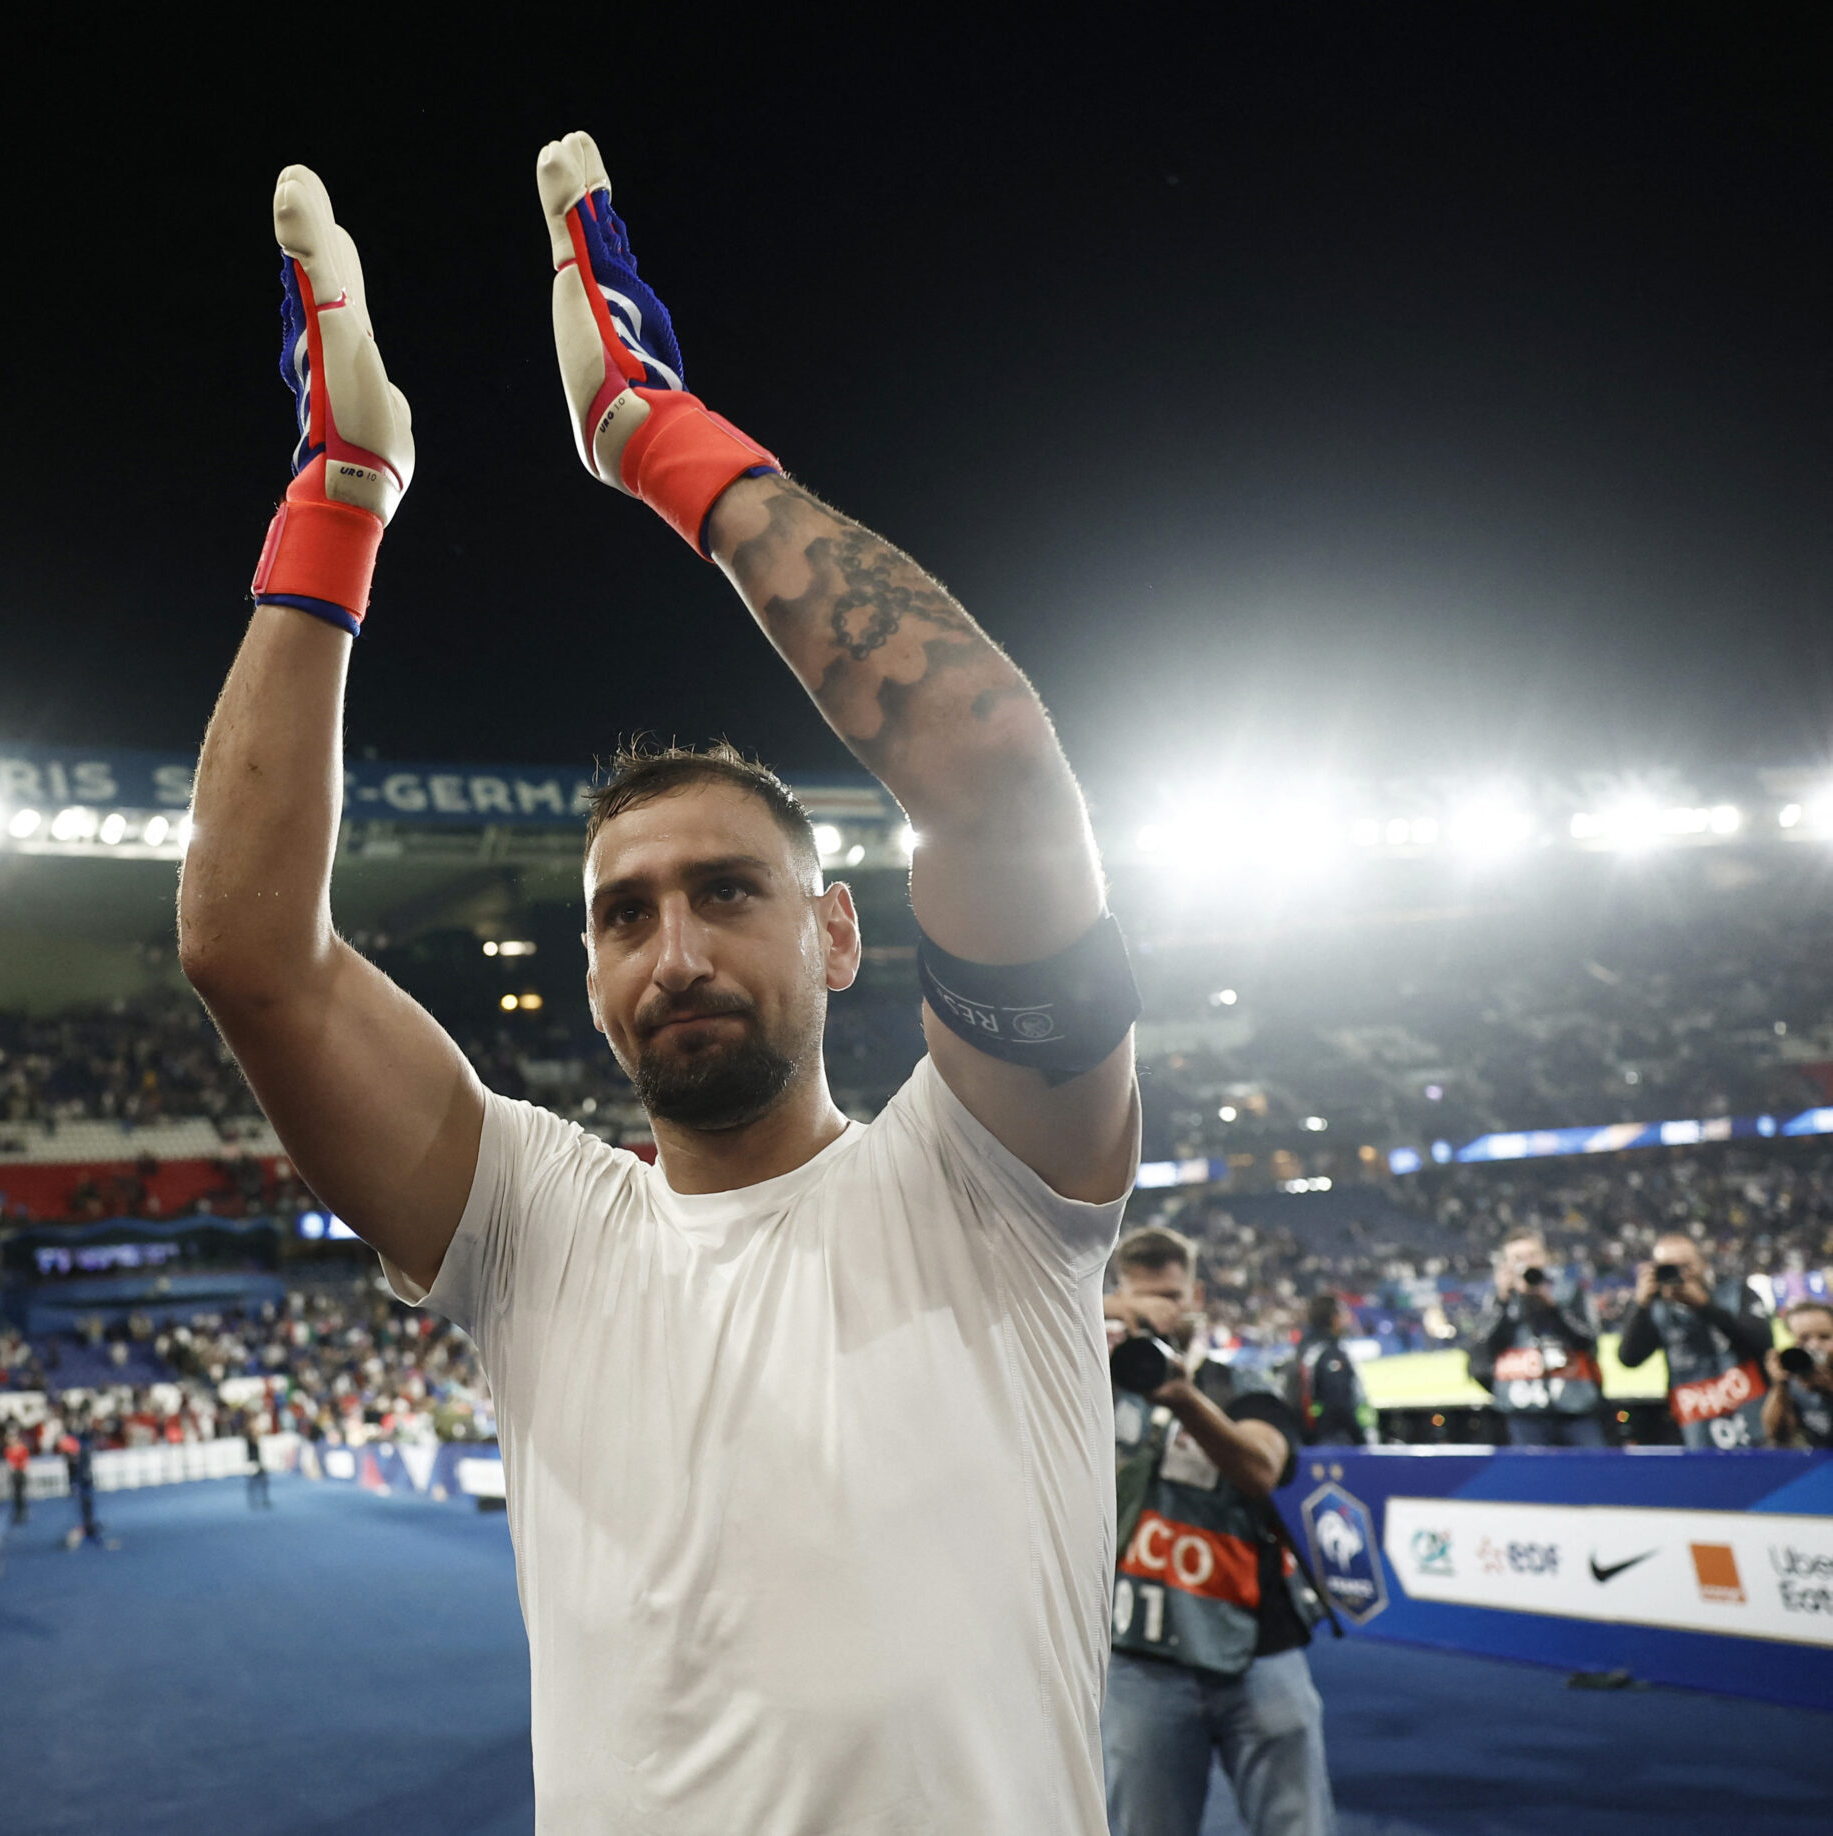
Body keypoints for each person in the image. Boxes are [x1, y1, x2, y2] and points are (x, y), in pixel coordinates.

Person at [179, 139, 1141, 1832]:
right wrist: (339, 490)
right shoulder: (536, 1224)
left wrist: (654, 433)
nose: (676, 950)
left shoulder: (995, 1177)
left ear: (837, 933)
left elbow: (989, 764)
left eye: (727, 893)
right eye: (625, 916)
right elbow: (250, 949)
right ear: (590, 974)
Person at [1103, 1227, 1332, 1836]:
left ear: (1196, 1295)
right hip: (1139, 1656)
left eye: (1172, 1297)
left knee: (1297, 1825)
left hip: (1259, 1648)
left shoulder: (1241, 1388)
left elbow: (1260, 1470)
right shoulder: (1090, 1383)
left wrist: (1181, 1397)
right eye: (1142, 1298)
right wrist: (1113, 1316)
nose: (1160, 1314)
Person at [1615, 1232, 1776, 1448]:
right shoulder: (1657, 1309)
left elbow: (1764, 1342)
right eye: (1668, 1267)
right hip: (1697, 1431)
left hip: (1752, 1422)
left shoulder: (1735, 1292)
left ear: (1702, 1264)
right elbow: (1629, 1358)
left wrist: (1705, 1306)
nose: (1679, 1275)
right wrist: (1641, 1304)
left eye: (1685, 1266)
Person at [1467, 1229, 1607, 1447]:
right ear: (1506, 1264)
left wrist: (1551, 1306)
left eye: (1532, 1255)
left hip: (1575, 1405)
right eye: (1518, 1258)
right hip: (1522, 1410)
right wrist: (1503, 1301)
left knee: (1592, 1473)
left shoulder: (1569, 1292)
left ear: (1545, 1257)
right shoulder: (1497, 1300)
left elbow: (1588, 1340)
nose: (1527, 1263)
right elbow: (1483, 1350)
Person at [1287, 1294, 1376, 1446]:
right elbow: (1339, 1404)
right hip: (1334, 1439)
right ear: (1335, 1319)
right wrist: (1360, 1439)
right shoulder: (1331, 1353)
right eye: (1343, 1313)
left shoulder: (1302, 1350)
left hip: (1306, 1438)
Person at [1763, 1300, 1833, 1450]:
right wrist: (1780, 1385)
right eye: (1804, 1338)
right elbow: (1777, 1435)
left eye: (1824, 1337)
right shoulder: (1795, 1380)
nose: (1814, 1345)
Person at [60, 1418, 101, 1548]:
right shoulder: (79, 1451)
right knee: (84, 1505)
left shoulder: (81, 1451)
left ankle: (88, 1527)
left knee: (86, 1504)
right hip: (83, 1482)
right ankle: (86, 1527)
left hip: (84, 1482)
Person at [4, 1422, 32, 1525]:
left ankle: (22, 1512)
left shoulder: (21, 1448)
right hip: (14, 1473)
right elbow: (9, 1462)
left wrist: (22, 1469)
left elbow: (25, 1460)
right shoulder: (8, 1449)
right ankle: (17, 1512)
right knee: (16, 1494)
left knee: (21, 1494)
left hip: (20, 1472)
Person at [243, 1418, 271, 1509]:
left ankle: (261, 1499)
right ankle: (255, 1500)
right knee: (255, 1483)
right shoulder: (250, 1438)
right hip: (253, 1463)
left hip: (256, 1462)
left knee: (262, 1481)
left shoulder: (253, 1438)